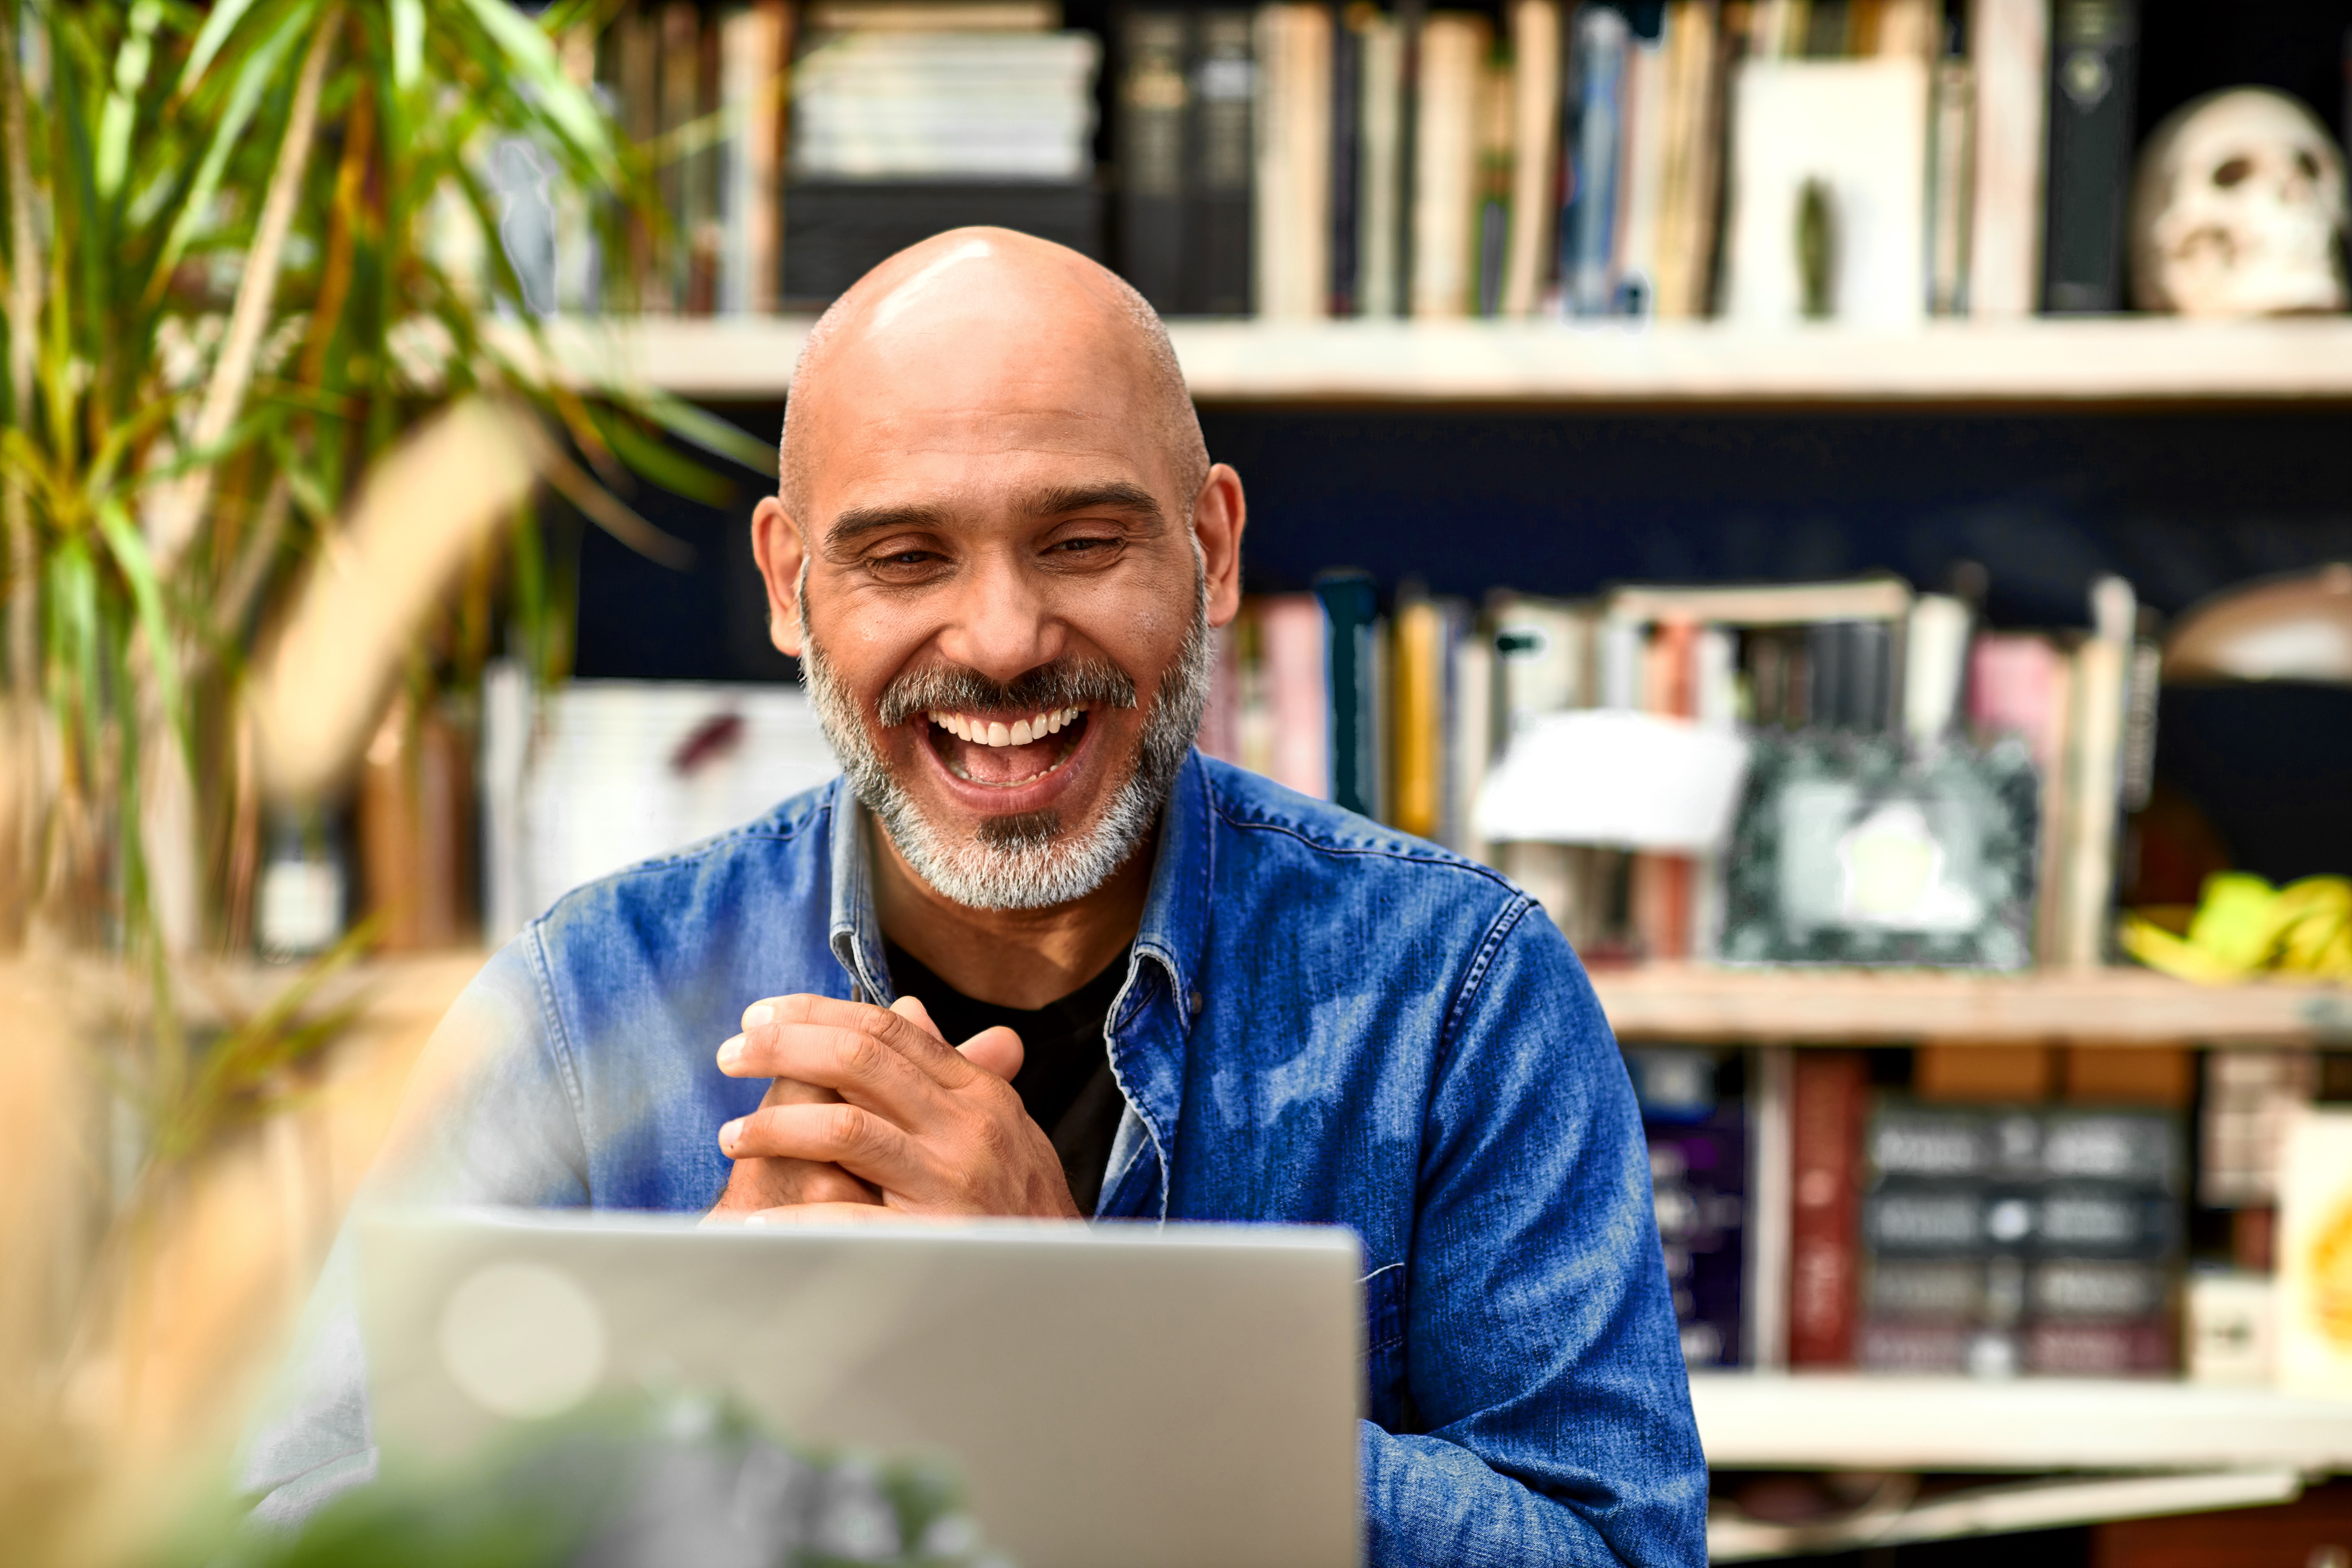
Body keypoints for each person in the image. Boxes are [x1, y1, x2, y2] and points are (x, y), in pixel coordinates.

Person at [241, 228, 1707, 1563]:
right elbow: (291, 1526)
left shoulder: (1460, 994)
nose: (1003, 640)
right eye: (905, 556)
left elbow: (1619, 1555)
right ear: (787, 582)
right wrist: (678, 1399)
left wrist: (1078, 1346)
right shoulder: (583, 1005)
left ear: (1212, 549)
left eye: (1082, 541)